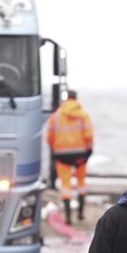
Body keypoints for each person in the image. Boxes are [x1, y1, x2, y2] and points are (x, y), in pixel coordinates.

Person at [46, 90, 93, 225]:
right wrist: (89, 151)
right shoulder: (84, 115)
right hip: (81, 155)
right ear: (76, 98)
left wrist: (54, 150)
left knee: (66, 185)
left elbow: (49, 136)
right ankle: (80, 214)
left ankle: (67, 218)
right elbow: (89, 135)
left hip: (62, 155)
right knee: (81, 183)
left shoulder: (55, 116)